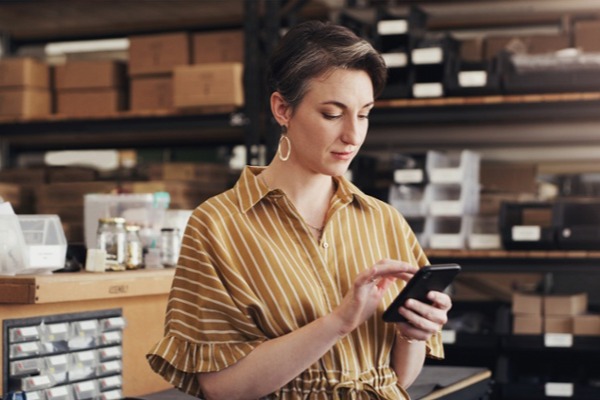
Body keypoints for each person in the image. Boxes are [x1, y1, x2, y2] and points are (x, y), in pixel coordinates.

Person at [147, 20, 452, 400]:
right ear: (282, 110)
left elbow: (396, 380)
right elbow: (221, 388)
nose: (353, 136)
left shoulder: (383, 220)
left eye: (364, 114)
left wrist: (412, 334)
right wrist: (338, 323)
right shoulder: (218, 226)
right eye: (331, 114)